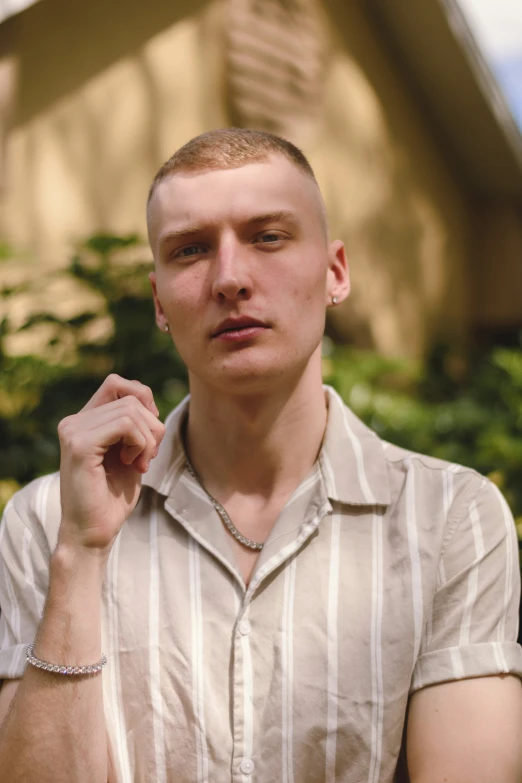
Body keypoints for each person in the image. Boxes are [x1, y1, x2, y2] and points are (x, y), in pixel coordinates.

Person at [0, 128, 521, 783]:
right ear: (160, 302)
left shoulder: (452, 518)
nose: (230, 278)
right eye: (190, 250)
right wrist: (79, 554)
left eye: (267, 236)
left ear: (335, 272)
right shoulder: (47, 522)